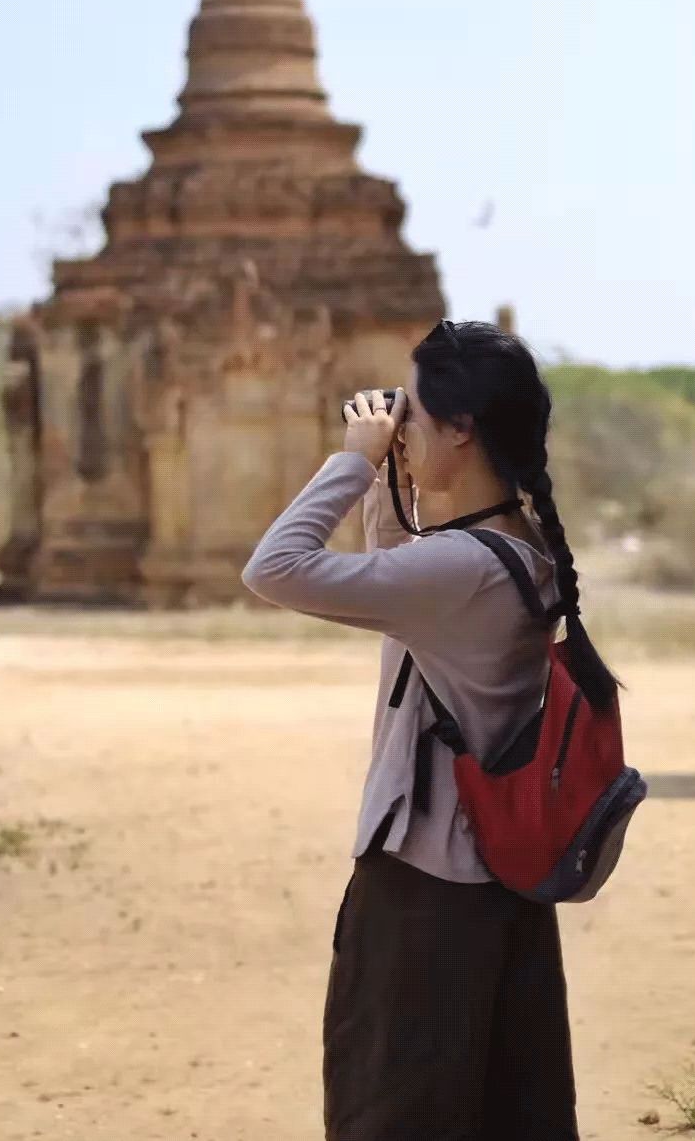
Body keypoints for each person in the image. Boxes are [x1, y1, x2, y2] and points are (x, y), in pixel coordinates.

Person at [242, 319, 618, 1141]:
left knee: (395, 1108)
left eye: (412, 412)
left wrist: (353, 459)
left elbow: (272, 568)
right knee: (500, 1112)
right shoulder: (513, 548)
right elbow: (398, 584)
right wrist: (391, 480)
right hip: (496, 880)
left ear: (462, 428)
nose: (399, 425)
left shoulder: (459, 568)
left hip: (427, 888)